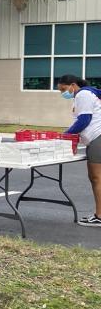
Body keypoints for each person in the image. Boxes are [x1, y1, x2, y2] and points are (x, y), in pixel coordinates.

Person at [57, 74, 101, 226]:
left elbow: (84, 120)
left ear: (73, 85)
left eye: (63, 89)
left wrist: (65, 135)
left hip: (98, 137)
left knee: (96, 178)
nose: (63, 93)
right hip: (95, 138)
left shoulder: (83, 94)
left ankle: (99, 216)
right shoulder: (86, 94)